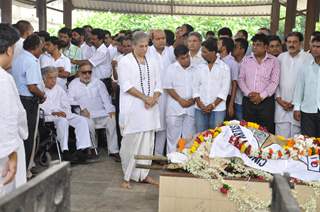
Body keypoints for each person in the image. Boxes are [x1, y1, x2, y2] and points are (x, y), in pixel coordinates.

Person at [118, 31, 162, 189]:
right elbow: (127, 85)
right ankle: (127, 177)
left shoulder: (153, 61)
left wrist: (154, 98)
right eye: (141, 46)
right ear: (133, 46)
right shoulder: (125, 62)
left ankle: (143, 175)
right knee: (132, 142)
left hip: (150, 108)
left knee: (148, 142)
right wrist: (145, 98)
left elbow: (159, 82)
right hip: (133, 109)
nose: (144, 49)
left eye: (146, 46)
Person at [68, 64, 120, 161]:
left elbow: (105, 99)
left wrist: (110, 110)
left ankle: (114, 150)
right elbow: (69, 100)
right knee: (88, 123)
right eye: (84, 72)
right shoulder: (73, 84)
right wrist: (81, 108)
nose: (87, 75)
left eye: (89, 72)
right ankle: (92, 149)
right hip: (84, 114)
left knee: (112, 119)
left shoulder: (98, 82)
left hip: (100, 112)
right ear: (79, 73)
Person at [40, 66, 93, 161]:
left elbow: (66, 104)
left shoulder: (59, 89)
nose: (53, 81)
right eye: (50, 78)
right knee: (62, 121)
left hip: (63, 113)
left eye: (55, 78)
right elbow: (41, 107)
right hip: (49, 116)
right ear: (44, 78)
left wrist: (64, 112)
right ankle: (65, 151)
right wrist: (54, 112)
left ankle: (82, 149)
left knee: (81, 120)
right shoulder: (40, 90)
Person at [11, 34, 46, 173]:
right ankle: (26, 169)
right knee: (29, 136)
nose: (42, 51)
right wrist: (42, 95)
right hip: (29, 101)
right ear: (35, 47)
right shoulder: (32, 61)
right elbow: (32, 87)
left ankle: (21, 167)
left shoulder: (18, 58)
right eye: (41, 48)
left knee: (20, 134)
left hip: (18, 99)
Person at [0, 23, 28, 197]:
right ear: (10, 50)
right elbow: (8, 119)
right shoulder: (3, 79)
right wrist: (13, 156)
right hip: (5, 151)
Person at [238, 34, 280, 133]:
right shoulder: (246, 60)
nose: (254, 47)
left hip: (266, 102)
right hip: (248, 100)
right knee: (248, 131)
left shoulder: (274, 61)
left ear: (265, 47)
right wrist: (249, 93)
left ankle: (265, 149)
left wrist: (261, 96)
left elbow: (274, 82)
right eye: (254, 44)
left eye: (258, 45)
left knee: (266, 131)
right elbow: (241, 79)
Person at [276, 32, 313, 138]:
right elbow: (275, 81)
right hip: (281, 106)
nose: (291, 44)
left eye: (295, 42)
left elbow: (309, 84)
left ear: (300, 43)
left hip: (299, 108)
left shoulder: (308, 58)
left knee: (296, 143)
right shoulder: (280, 57)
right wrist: (279, 99)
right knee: (280, 141)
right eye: (289, 42)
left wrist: (296, 103)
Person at [193, 38, 230, 132]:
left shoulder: (224, 67)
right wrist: (200, 104)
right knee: (200, 136)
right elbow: (195, 87)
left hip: (218, 109)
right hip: (200, 108)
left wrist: (213, 105)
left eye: (204, 52)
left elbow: (224, 90)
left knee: (216, 137)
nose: (202, 54)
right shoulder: (199, 67)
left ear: (213, 52)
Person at [148, 29, 175, 156]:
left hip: (168, 94)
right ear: (152, 40)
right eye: (158, 39)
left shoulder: (170, 52)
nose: (161, 41)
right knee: (150, 125)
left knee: (164, 125)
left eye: (163, 38)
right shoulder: (147, 52)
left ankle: (158, 155)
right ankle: (147, 154)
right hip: (151, 94)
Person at [164, 45, 195, 154]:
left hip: (191, 107)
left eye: (187, 56)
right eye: (183, 58)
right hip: (175, 107)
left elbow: (199, 87)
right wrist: (180, 100)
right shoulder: (171, 68)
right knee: (173, 137)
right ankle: (172, 161)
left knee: (188, 137)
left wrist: (191, 100)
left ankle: (185, 162)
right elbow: (168, 87)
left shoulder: (196, 68)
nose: (186, 59)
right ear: (177, 58)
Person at [293, 35, 320, 137]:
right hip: (308, 110)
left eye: (318, 46)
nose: (315, 49)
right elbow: (299, 88)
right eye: (314, 46)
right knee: (308, 142)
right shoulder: (305, 66)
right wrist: (297, 107)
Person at [71, 28, 113, 94]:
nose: (91, 41)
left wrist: (74, 61)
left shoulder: (103, 51)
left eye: (94, 39)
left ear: (101, 40)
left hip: (103, 81)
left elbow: (89, 62)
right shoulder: (93, 48)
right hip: (95, 80)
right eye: (91, 39)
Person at [217, 37, 238, 120]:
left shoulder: (232, 63)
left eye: (218, 44)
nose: (216, 45)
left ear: (224, 47)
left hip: (227, 97)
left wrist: (231, 104)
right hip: (215, 96)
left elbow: (234, 84)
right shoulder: (216, 60)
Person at [232, 38, 249, 120]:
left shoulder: (249, 63)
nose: (232, 48)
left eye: (235, 46)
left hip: (242, 102)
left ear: (242, 50)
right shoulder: (231, 61)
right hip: (231, 101)